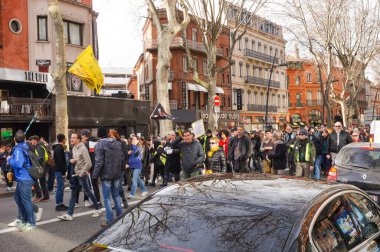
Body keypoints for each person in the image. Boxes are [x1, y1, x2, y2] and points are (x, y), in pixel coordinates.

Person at [57, 133, 101, 221]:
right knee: (73, 194)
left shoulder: (83, 148)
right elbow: (76, 160)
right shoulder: (73, 148)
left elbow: (89, 163)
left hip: (81, 175)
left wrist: (82, 173)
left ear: (79, 140)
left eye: (73, 138)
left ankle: (97, 208)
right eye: (71, 137)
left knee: (88, 192)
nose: (71, 139)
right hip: (75, 174)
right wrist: (71, 160)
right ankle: (69, 214)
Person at [93, 127, 124, 226]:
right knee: (116, 195)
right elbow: (121, 158)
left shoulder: (99, 144)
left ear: (99, 134)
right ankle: (120, 217)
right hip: (116, 173)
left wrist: (95, 175)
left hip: (106, 174)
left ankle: (110, 220)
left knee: (106, 198)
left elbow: (99, 162)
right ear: (107, 133)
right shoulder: (117, 143)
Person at [7, 130, 36, 231]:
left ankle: (31, 223)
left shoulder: (19, 149)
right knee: (18, 198)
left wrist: (9, 159)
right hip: (24, 177)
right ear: (24, 138)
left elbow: (19, 164)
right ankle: (24, 220)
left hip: (25, 178)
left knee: (25, 201)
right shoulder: (26, 145)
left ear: (14, 139)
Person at [81, 129, 102, 208]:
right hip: (100, 165)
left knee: (93, 185)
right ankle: (98, 201)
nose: (82, 138)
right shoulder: (98, 141)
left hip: (92, 167)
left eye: (82, 136)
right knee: (96, 184)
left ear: (84, 136)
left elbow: (87, 157)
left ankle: (97, 202)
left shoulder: (87, 144)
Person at [29, 135, 49, 202]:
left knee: (39, 180)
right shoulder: (38, 146)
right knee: (42, 181)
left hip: (41, 166)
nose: (31, 142)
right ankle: (46, 196)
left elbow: (41, 159)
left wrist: (37, 166)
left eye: (32, 140)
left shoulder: (39, 147)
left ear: (35, 140)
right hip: (42, 166)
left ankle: (40, 196)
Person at [52, 134, 68, 211]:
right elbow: (60, 161)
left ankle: (60, 203)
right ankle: (59, 204)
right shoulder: (59, 148)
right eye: (65, 139)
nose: (66, 140)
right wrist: (63, 172)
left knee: (60, 187)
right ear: (63, 139)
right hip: (59, 171)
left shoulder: (57, 148)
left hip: (58, 170)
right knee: (60, 188)